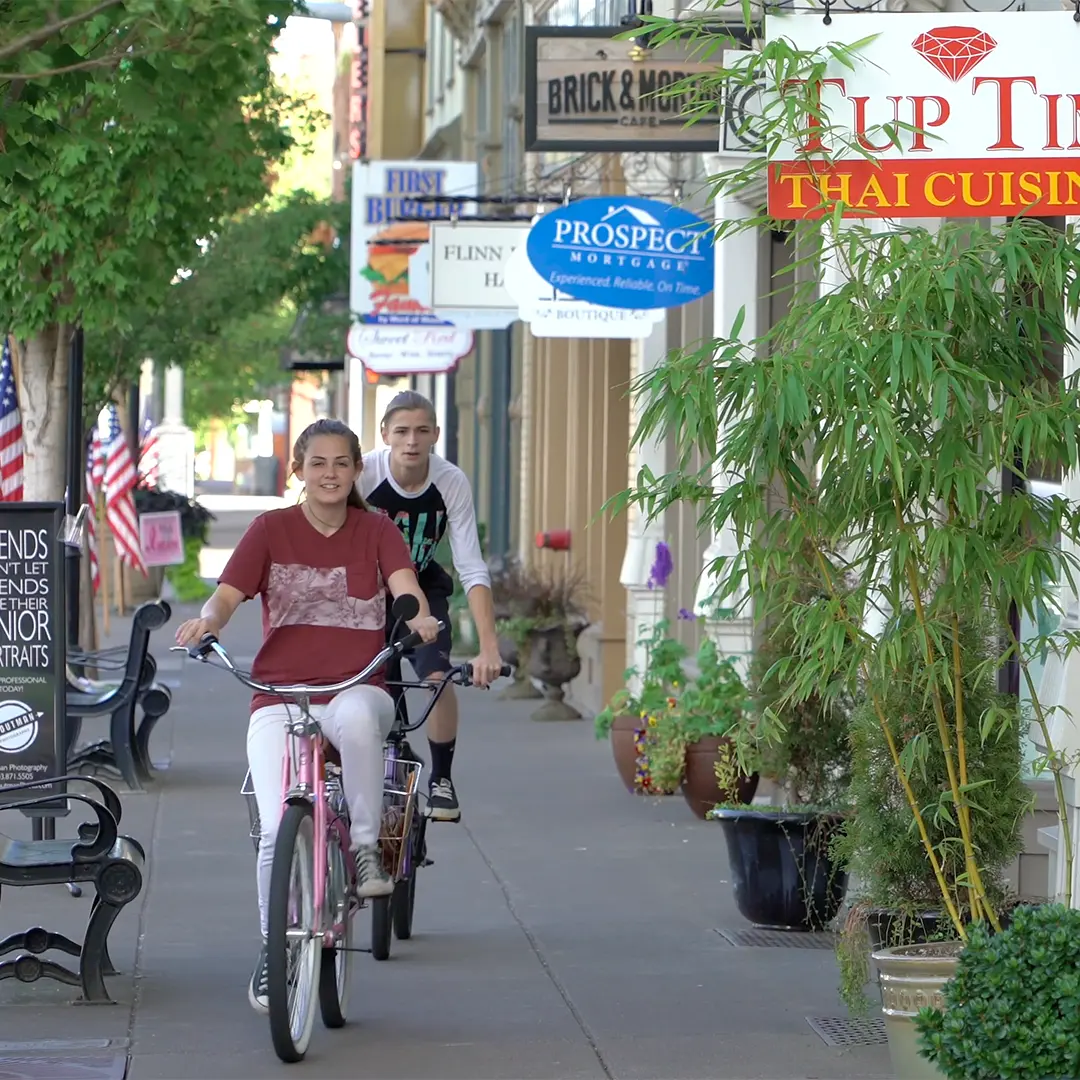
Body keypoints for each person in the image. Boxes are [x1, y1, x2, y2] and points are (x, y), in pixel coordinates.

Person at [175, 418, 440, 1014]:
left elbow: (405, 587)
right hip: (279, 693)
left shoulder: (376, 531)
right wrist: (208, 622)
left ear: (355, 472)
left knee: (359, 715)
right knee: (274, 829)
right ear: (298, 470)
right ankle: (277, 955)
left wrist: (418, 616)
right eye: (316, 463)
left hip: (354, 685)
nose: (329, 474)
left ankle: (367, 848)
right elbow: (228, 594)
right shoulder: (270, 530)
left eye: (340, 463)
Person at [358, 390, 502, 823]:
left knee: (436, 675)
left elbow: (471, 566)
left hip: (423, 585)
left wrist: (489, 647)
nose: (411, 441)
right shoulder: (364, 475)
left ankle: (441, 776)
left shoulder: (450, 481)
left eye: (422, 431)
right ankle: (391, 746)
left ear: (436, 434)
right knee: (368, 681)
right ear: (384, 434)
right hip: (366, 592)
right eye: (401, 431)